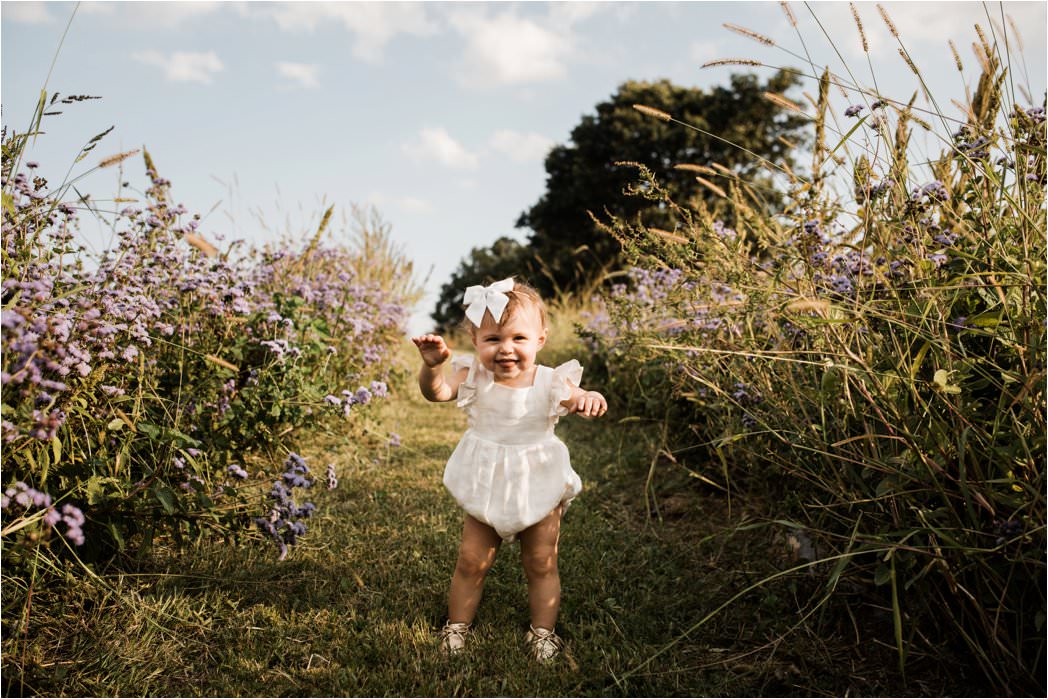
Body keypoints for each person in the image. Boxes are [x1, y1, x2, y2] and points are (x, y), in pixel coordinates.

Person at [411, 278, 608, 662]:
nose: (506, 349)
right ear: (475, 340)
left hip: (539, 480)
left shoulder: (551, 381)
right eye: (493, 339)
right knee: (471, 560)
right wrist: (432, 369)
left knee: (541, 561)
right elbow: (436, 393)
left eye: (519, 338)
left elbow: (579, 396)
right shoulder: (473, 376)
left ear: (540, 340)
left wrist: (590, 398)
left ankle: (542, 632)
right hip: (486, 480)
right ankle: (457, 626)